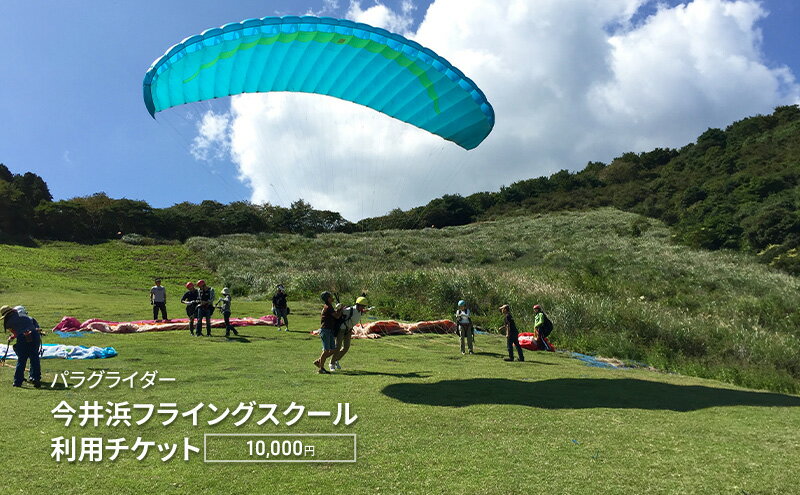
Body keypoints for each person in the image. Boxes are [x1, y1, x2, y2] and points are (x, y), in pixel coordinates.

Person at [2, 305, 42, 388]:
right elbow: (31, 327)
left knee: (21, 360)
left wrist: (12, 337)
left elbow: (17, 332)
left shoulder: (8, 322)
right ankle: (35, 378)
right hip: (34, 336)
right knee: (34, 358)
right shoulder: (25, 317)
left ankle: (17, 381)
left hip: (23, 338)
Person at [330, 296, 369, 371]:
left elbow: (362, 312)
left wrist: (368, 310)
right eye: (362, 306)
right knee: (337, 347)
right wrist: (338, 308)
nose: (363, 308)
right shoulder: (349, 310)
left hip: (348, 330)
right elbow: (337, 313)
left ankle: (336, 360)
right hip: (341, 329)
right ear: (358, 305)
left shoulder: (360, 311)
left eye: (364, 306)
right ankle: (331, 364)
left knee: (346, 347)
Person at [314, 291, 342, 374]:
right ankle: (321, 368)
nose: (332, 297)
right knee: (326, 350)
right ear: (327, 299)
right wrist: (341, 309)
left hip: (329, 330)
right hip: (326, 330)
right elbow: (337, 316)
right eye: (330, 296)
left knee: (333, 349)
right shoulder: (328, 307)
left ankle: (319, 361)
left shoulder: (330, 306)